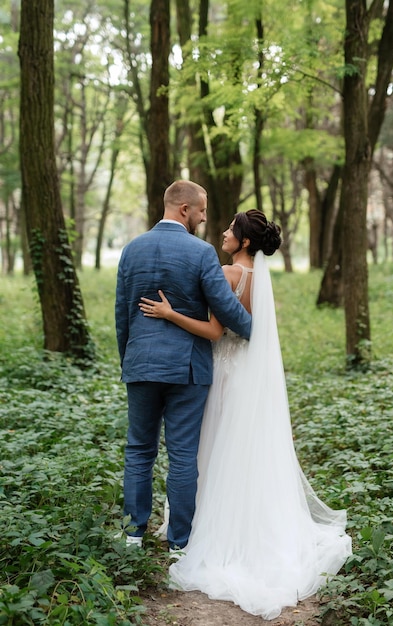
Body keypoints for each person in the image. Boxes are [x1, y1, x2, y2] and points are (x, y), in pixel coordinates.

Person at [139, 209, 352, 620]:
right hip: (245, 373)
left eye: (231, 230)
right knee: (243, 451)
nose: (223, 231)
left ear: (245, 242)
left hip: (222, 373)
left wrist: (169, 315)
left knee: (213, 446)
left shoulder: (229, 274)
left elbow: (213, 331)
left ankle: (208, 528)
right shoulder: (260, 281)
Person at [115, 180, 252, 551]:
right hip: (188, 370)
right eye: (202, 210)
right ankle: (179, 545)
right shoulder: (201, 253)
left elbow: (123, 314)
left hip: (141, 363)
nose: (205, 217)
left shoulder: (132, 250)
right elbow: (225, 309)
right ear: (184, 209)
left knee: (139, 450)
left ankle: (132, 536)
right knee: (182, 456)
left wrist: (128, 358)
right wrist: (259, 331)